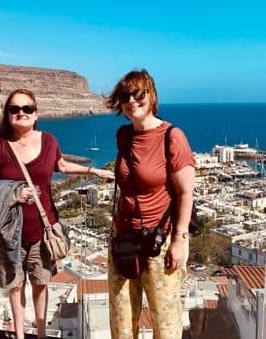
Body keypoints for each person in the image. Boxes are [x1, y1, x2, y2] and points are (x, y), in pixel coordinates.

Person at [0, 89, 113, 339]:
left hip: (43, 230)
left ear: (36, 113)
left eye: (27, 108)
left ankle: (40, 335)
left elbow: (61, 165)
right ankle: (20, 335)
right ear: (7, 114)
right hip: (9, 234)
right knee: (15, 286)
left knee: (41, 285)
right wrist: (12, 195)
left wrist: (93, 172)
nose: (21, 113)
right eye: (14, 109)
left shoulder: (49, 141)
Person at [105, 70, 196, 339]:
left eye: (138, 94)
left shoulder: (172, 136)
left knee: (165, 325)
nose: (132, 101)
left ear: (151, 95)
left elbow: (185, 193)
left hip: (160, 241)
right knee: (121, 322)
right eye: (125, 96)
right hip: (122, 239)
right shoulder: (123, 136)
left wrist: (179, 241)